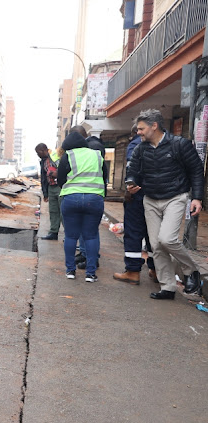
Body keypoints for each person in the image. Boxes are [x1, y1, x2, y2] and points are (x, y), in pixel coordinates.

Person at [126, 109, 204, 299]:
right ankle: (168, 287)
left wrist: (197, 198)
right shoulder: (141, 148)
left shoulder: (180, 144)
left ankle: (191, 270)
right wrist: (131, 183)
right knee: (156, 245)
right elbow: (133, 170)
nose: (138, 133)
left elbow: (196, 171)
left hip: (175, 197)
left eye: (141, 129)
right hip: (150, 199)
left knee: (167, 239)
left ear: (154, 126)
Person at [57, 131, 106, 282]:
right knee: (91, 236)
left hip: (72, 198)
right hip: (94, 199)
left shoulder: (68, 155)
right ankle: (90, 274)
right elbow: (104, 178)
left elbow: (60, 178)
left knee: (71, 236)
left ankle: (70, 271)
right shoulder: (97, 155)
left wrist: (69, 189)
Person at [113, 125, 157, 285]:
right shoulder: (164, 144)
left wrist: (130, 188)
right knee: (154, 234)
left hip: (138, 196)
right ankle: (155, 269)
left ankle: (132, 271)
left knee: (133, 232)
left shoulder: (136, 144)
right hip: (158, 197)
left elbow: (133, 168)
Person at [37, 143, 61, 240]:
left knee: (63, 212)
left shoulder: (55, 156)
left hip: (60, 186)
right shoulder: (43, 161)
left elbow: (63, 169)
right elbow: (43, 177)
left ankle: (69, 235)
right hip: (51, 187)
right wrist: (45, 193)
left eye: (39, 153)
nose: (38, 155)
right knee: (53, 211)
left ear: (44, 150)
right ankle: (53, 232)